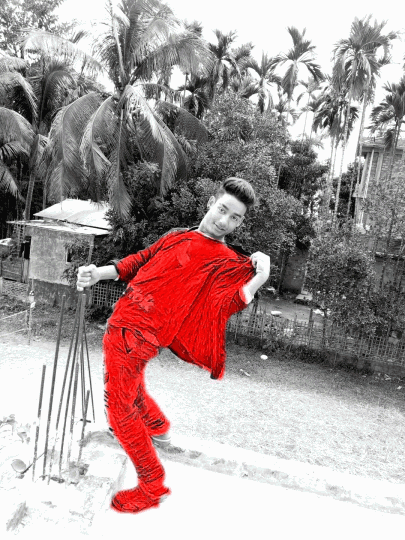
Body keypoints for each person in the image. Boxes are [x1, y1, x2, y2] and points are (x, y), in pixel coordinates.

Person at [76, 177, 270, 514]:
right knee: (130, 388)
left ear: (240, 223)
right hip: (122, 322)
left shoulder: (224, 260)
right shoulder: (178, 235)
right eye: (222, 210)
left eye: (234, 218)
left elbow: (227, 304)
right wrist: (99, 274)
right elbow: (139, 261)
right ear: (211, 203)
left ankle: (152, 485)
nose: (224, 221)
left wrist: (259, 278)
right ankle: (159, 428)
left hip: (142, 335)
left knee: (119, 409)